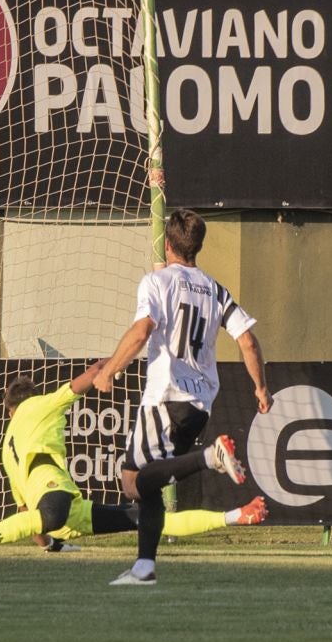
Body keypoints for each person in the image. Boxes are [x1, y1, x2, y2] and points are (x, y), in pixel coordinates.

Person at [0, 357, 266, 558]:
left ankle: (238, 515)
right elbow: (80, 382)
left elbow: (28, 517)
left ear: (8, 410)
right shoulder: (41, 403)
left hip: (60, 506)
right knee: (140, 516)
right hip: (58, 498)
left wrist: (52, 547)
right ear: (28, 400)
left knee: (146, 519)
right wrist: (109, 365)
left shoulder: (5, 450)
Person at [91, 207, 271, 587]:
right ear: (197, 248)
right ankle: (144, 567)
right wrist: (260, 387)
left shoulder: (157, 282)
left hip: (165, 395)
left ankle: (209, 457)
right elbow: (248, 341)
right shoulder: (215, 288)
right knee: (141, 481)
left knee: (134, 482)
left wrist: (109, 370)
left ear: (168, 244)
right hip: (201, 402)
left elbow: (142, 331)